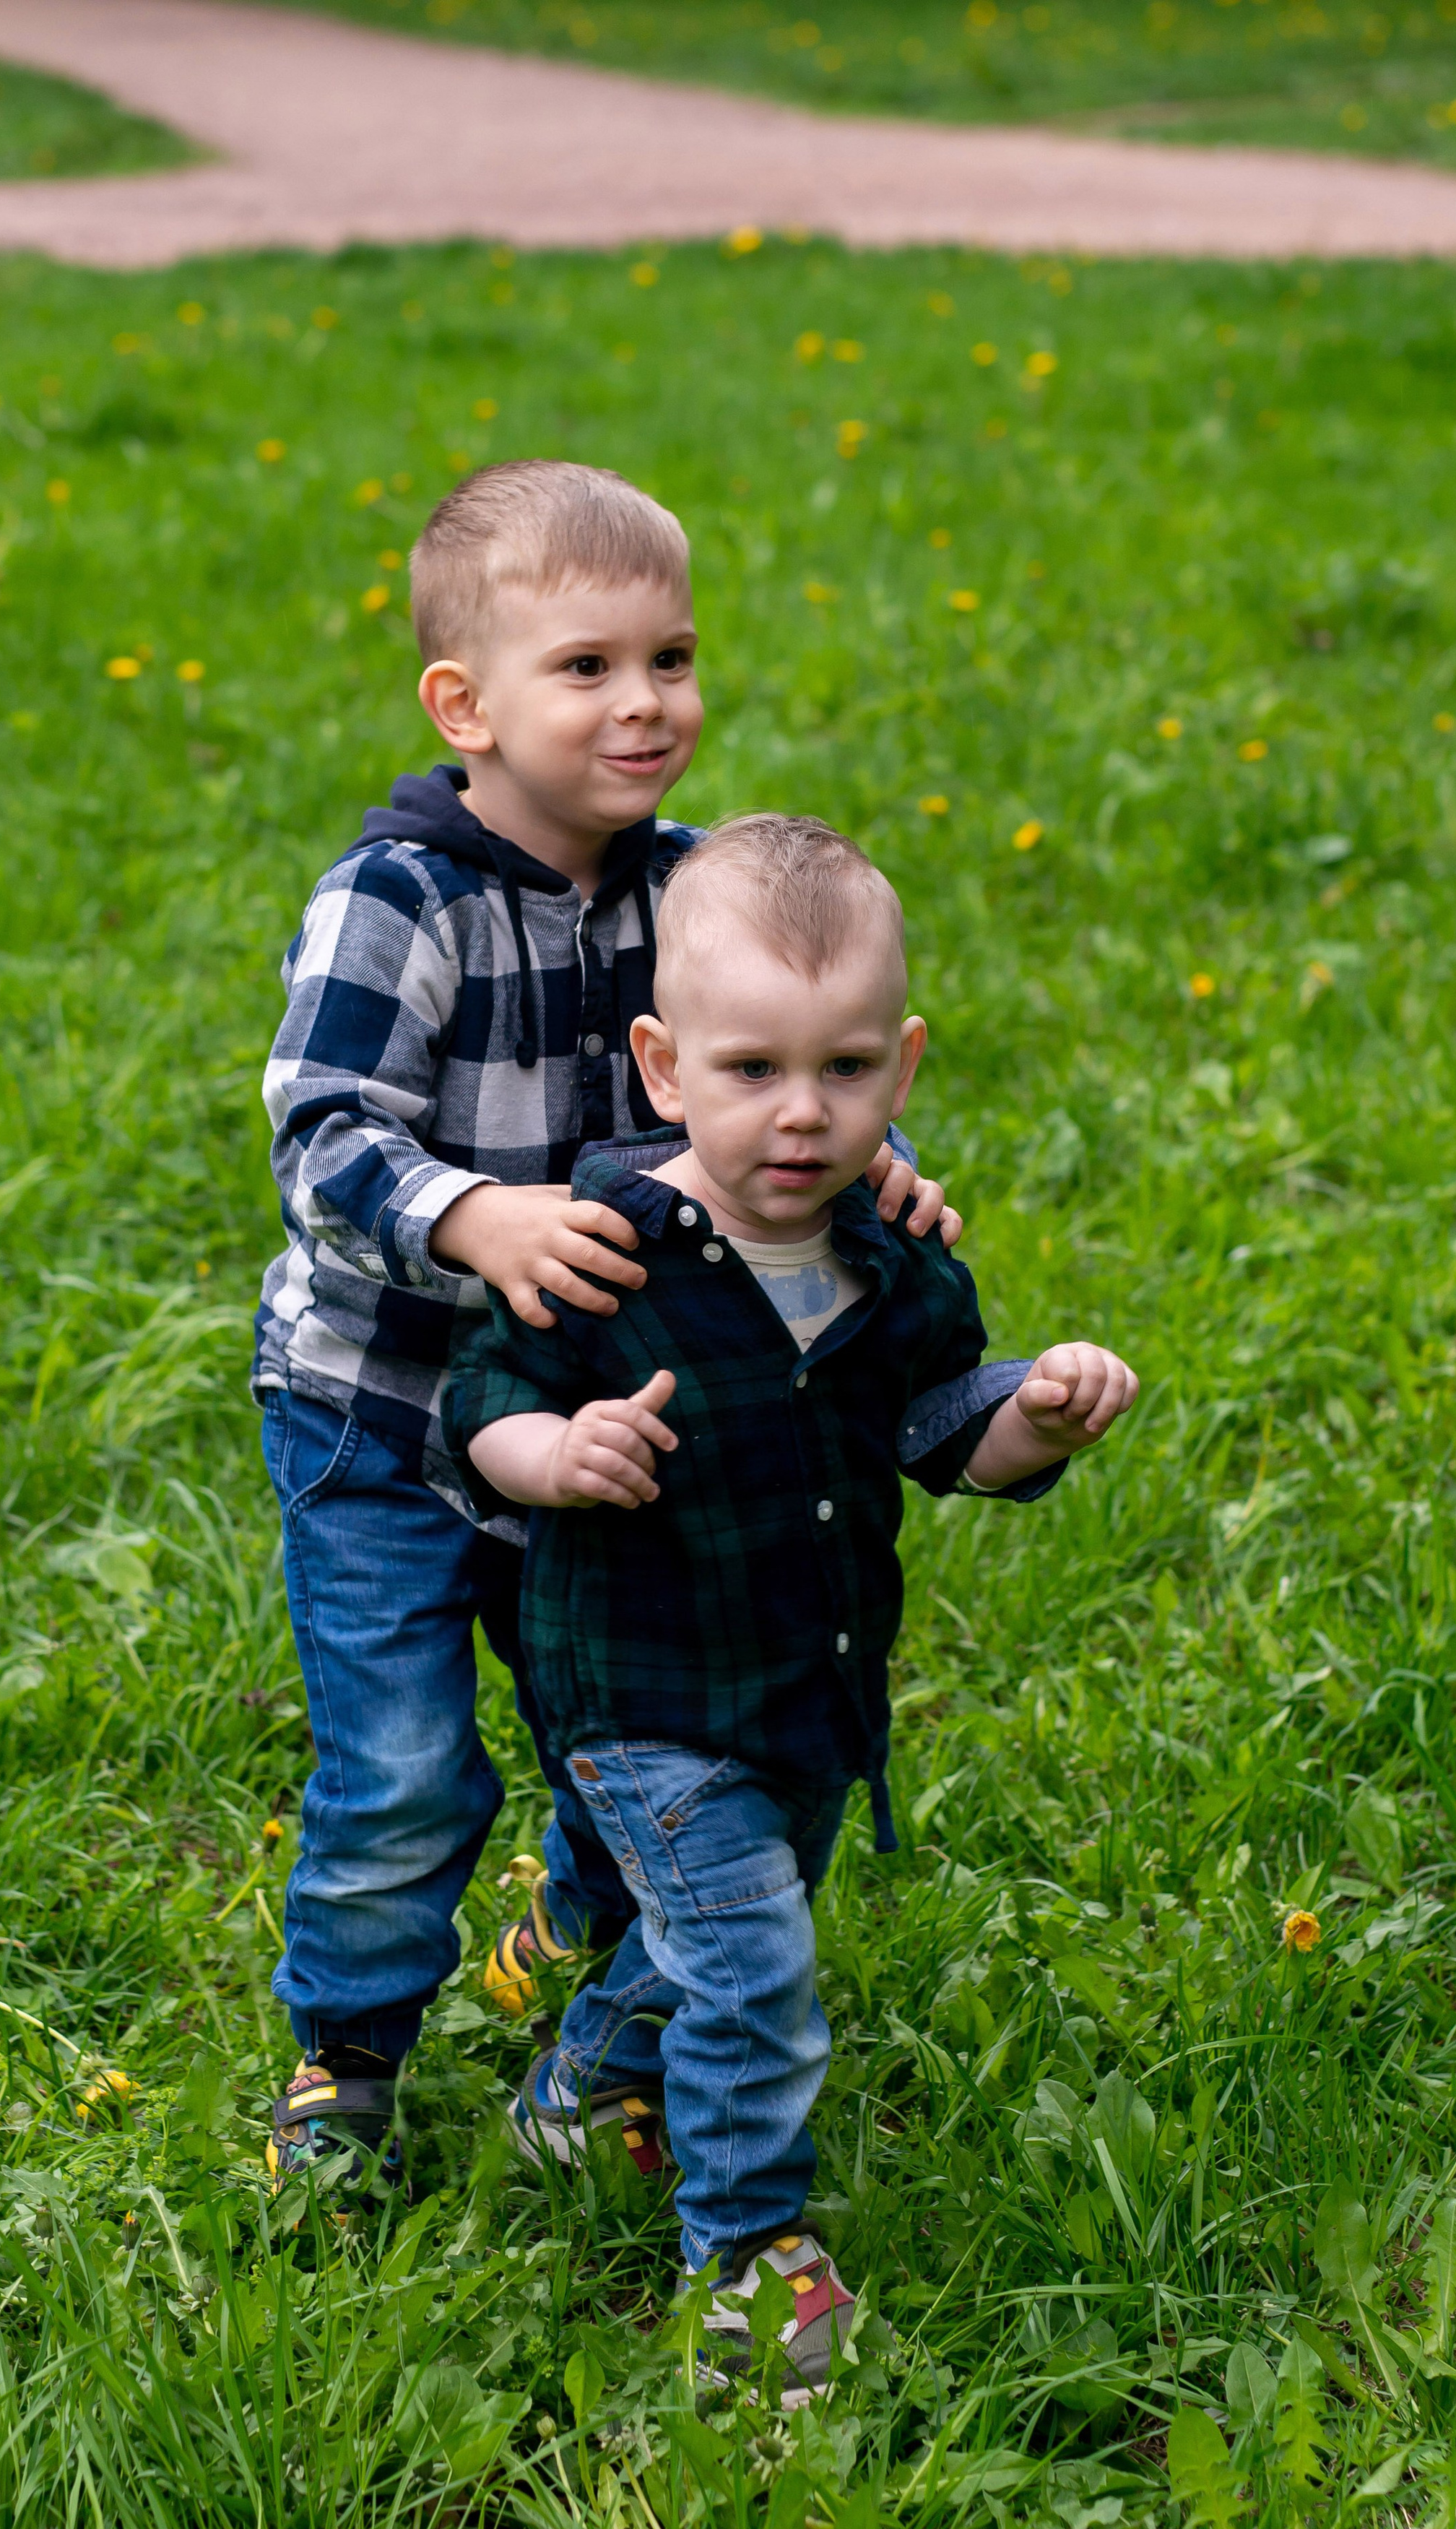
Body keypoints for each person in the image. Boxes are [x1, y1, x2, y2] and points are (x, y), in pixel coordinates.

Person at [251, 463, 962, 2198]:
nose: (645, 702)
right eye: (586, 667)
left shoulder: (694, 886)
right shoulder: (399, 900)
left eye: (672, 656)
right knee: (410, 1759)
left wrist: (884, 1177)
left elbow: (776, 1066)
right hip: (381, 1406)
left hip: (600, 1401)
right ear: (464, 704)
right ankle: (344, 2052)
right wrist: (470, 1214)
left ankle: (594, 1934)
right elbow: (319, 1129)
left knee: (624, 1707)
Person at [444, 813, 1138, 2390]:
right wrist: (558, 1450)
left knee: (704, 1942)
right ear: (664, 1064)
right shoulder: (605, 1247)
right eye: (750, 1069)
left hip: (810, 1691)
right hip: (638, 1688)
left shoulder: (892, 1263)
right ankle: (751, 2263)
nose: (800, 1113)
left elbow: (934, 1431)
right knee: (754, 1968)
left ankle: (571, 2096)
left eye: (841, 1070)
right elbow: (476, 1403)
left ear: (899, 1065)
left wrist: (1034, 1409)